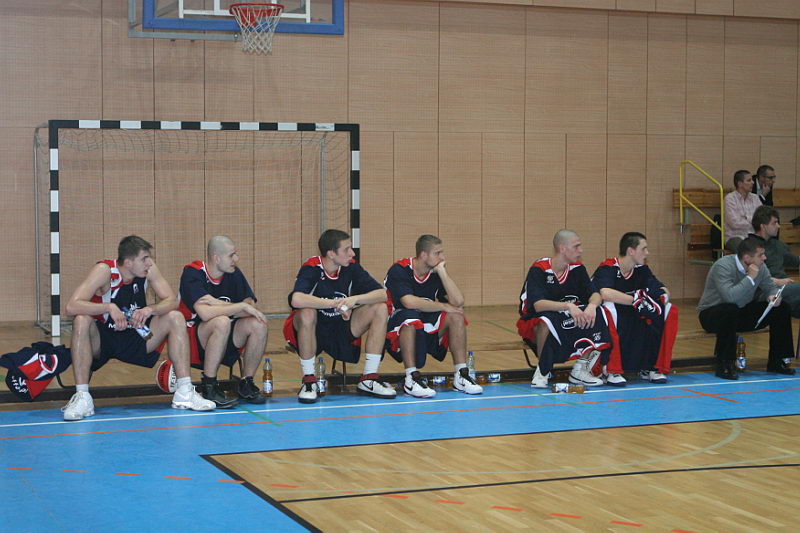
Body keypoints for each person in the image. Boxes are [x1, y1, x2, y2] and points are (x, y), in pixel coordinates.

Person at [62, 235, 214, 421]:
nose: (149, 262)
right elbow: (71, 306)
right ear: (128, 262)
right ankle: (82, 397)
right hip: (103, 339)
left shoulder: (148, 270)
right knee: (81, 320)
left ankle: (184, 391)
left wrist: (150, 309)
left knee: (175, 317)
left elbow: (172, 301)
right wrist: (108, 307)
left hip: (136, 336)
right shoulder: (104, 271)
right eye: (144, 258)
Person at [284, 229, 396, 403]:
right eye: (346, 249)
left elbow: (382, 294)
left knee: (380, 308)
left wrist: (353, 300)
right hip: (314, 329)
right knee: (306, 313)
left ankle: (369, 378)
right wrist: (333, 304)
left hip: (340, 327)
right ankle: (309, 381)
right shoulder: (312, 267)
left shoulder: (351, 267)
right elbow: (296, 299)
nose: (352, 253)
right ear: (331, 254)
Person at [384, 234, 483, 398]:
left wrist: (442, 272)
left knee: (457, 316)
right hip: (397, 326)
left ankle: (461, 374)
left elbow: (458, 302)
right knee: (410, 318)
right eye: (438, 253)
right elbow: (408, 302)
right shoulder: (399, 269)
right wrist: (443, 306)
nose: (442, 257)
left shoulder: (435, 272)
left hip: (425, 321)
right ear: (423, 255)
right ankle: (411, 378)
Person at [178, 236, 269, 409]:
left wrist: (218, 303)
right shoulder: (193, 273)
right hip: (194, 342)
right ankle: (209, 386)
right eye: (231, 255)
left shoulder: (233, 273)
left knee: (258, 323)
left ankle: (246, 383)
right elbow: (205, 313)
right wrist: (239, 306)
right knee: (221, 321)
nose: (236, 259)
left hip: (225, 337)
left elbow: (250, 306)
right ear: (216, 258)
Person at [517, 229, 612, 389]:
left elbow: (595, 294)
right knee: (546, 321)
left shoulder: (577, 268)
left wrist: (592, 306)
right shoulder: (539, 269)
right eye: (576, 246)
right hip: (535, 320)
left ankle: (580, 370)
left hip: (566, 317)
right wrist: (568, 306)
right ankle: (543, 370)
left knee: (598, 312)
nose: (580, 250)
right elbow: (538, 305)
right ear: (562, 248)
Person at [698, 237, 795, 379]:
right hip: (712, 314)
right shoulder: (723, 266)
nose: (764, 258)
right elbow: (730, 297)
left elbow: (770, 287)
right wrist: (749, 278)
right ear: (747, 258)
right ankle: (725, 364)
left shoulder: (761, 267)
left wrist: (772, 296)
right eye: (760, 255)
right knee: (730, 309)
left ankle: (778, 360)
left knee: (782, 308)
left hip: (739, 312)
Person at [593, 232, 679, 385]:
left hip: (632, 312)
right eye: (643, 249)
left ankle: (652, 367)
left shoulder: (642, 269)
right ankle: (612, 369)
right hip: (609, 316)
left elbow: (663, 291)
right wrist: (636, 300)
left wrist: (657, 299)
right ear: (631, 251)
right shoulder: (608, 267)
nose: (647, 253)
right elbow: (605, 293)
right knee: (609, 308)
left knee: (667, 310)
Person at [748, 205, 800, 316]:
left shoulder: (778, 245)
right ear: (763, 226)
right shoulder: (748, 247)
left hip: (785, 290)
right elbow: (748, 276)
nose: (778, 226)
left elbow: (796, 261)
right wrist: (777, 281)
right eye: (774, 223)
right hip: (763, 292)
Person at [723, 169, 761, 251]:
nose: (753, 182)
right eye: (749, 180)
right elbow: (734, 224)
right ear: (740, 184)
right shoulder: (730, 199)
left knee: (770, 247)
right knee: (748, 249)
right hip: (735, 237)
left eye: (752, 180)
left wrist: (745, 218)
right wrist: (752, 220)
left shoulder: (755, 198)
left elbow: (761, 220)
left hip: (754, 236)